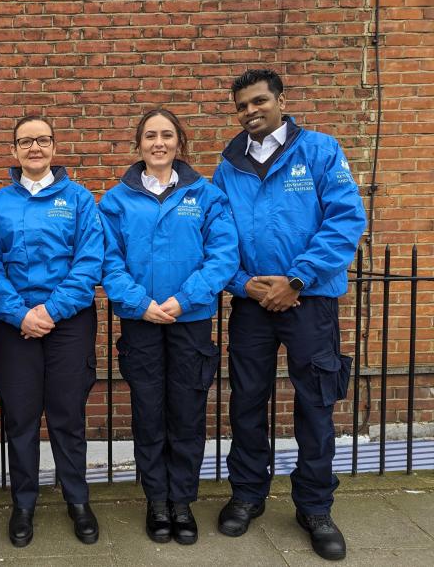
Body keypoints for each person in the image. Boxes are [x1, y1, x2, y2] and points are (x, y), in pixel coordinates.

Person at [212, 68, 366, 561]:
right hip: (253, 303)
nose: (250, 112)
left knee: (315, 404)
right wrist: (243, 284)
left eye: (259, 101)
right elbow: (218, 234)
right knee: (247, 402)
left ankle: (315, 506)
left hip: (309, 300)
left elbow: (345, 220)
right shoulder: (228, 163)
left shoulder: (320, 150)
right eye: (241, 106)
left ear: (280, 99)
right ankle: (247, 494)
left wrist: (296, 279)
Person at [99, 109, 239, 545]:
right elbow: (108, 259)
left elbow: (223, 257)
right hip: (141, 324)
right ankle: (157, 502)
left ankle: (182, 502)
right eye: (149, 136)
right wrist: (141, 303)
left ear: (180, 142)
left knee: (187, 415)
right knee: (148, 414)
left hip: (189, 322)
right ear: (138, 144)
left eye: (167, 135)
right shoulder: (116, 200)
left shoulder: (207, 195)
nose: (158, 143)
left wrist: (182, 300)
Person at [0, 115, 104, 547]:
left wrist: (49, 311)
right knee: (21, 418)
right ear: (13, 151)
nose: (35, 147)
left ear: (54, 147)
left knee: (68, 416)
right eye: (25, 141)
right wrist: (20, 314)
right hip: (15, 327)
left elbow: (89, 262)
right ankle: (24, 503)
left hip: (68, 323)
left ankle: (78, 500)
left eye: (43, 140)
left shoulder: (79, 199)